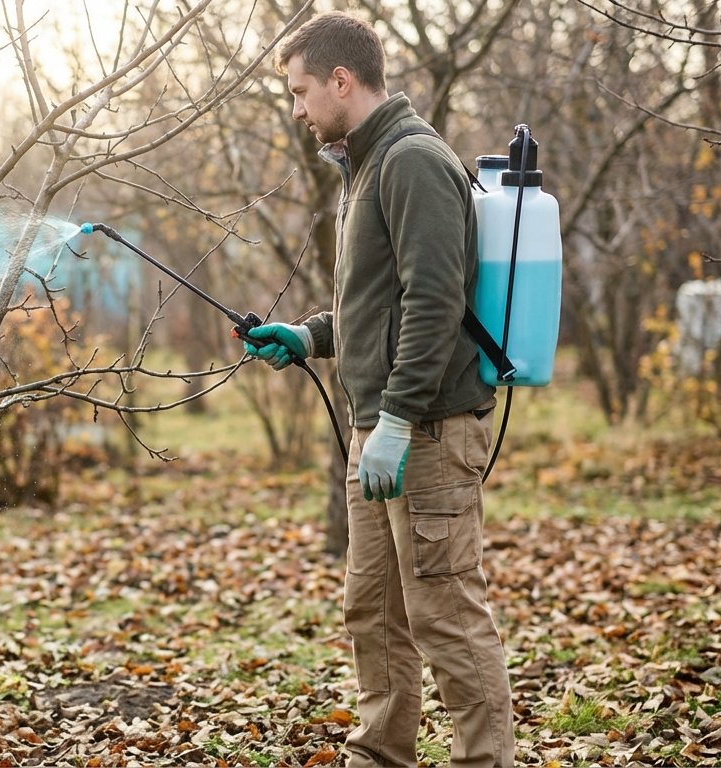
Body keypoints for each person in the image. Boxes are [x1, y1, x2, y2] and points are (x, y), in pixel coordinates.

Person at [241, 10, 514, 768]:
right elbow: (378, 307)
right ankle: (379, 757)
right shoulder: (365, 165)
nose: (296, 109)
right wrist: (307, 336)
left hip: (423, 432)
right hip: (382, 430)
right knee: (375, 614)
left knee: (446, 616)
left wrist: (393, 422)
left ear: (341, 79)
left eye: (300, 91)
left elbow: (434, 302)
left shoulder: (412, 160)